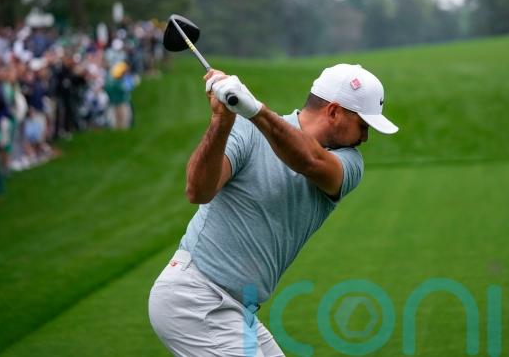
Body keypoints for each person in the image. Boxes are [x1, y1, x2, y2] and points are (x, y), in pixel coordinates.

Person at [148, 64, 399, 356]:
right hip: (194, 297)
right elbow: (198, 191)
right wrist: (221, 120)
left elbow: (309, 161)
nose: (365, 138)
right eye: (363, 126)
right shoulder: (247, 131)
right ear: (333, 112)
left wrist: (256, 111)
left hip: (237, 309)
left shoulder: (350, 164)